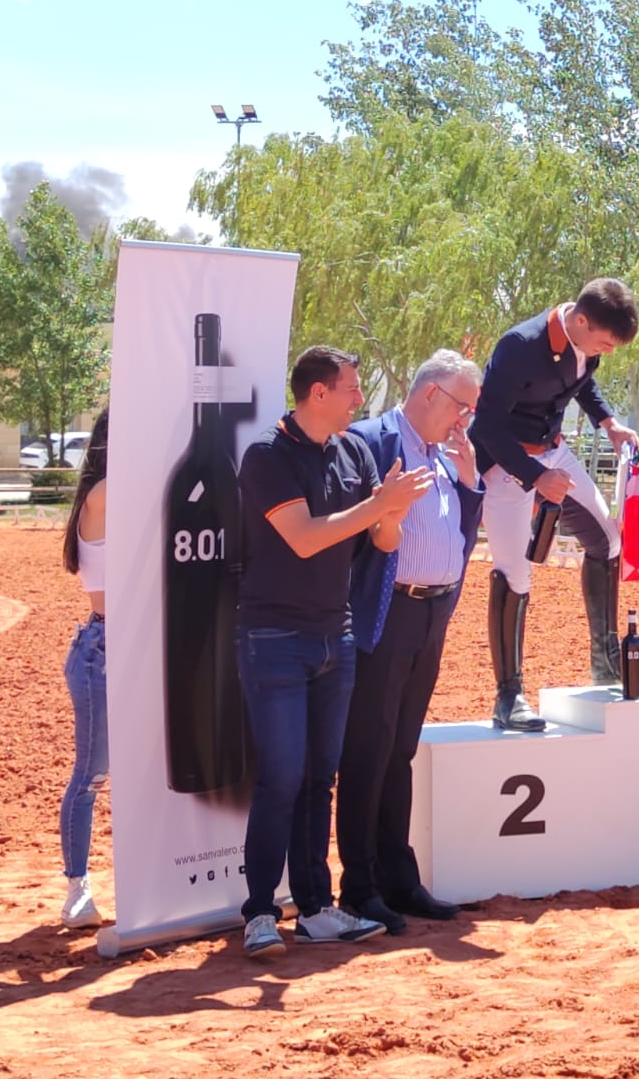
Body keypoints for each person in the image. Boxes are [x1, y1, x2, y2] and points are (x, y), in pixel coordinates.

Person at [236, 346, 433, 959]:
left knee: (320, 778)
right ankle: (261, 912)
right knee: (281, 778)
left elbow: (381, 537)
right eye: (349, 387)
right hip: (274, 638)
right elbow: (303, 539)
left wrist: (393, 512)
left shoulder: (351, 451)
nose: (358, 398)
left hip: (335, 636)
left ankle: (316, 908)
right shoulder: (267, 456)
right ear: (317, 393)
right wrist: (380, 506)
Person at [337, 350, 484, 934]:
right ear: (430, 395)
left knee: (399, 750)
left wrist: (469, 481)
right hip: (384, 612)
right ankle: (359, 886)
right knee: (367, 751)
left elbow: (460, 533)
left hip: (431, 613)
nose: (464, 419)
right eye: (462, 406)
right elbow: (351, 529)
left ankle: (399, 879)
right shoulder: (371, 442)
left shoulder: (446, 455)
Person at [469, 278, 639, 727]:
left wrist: (609, 422)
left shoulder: (587, 341)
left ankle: (605, 663)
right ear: (579, 320)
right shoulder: (519, 346)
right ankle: (509, 696)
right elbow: (487, 425)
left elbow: (580, 382)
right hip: (506, 463)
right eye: (604, 341)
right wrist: (536, 477)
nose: (607, 350)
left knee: (607, 540)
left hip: (553, 451)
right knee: (515, 572)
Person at [58, 408, 110, 929]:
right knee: (90, 775)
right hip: (104, 648)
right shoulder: (102, 495)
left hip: (139, 647)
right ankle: (77, 886)